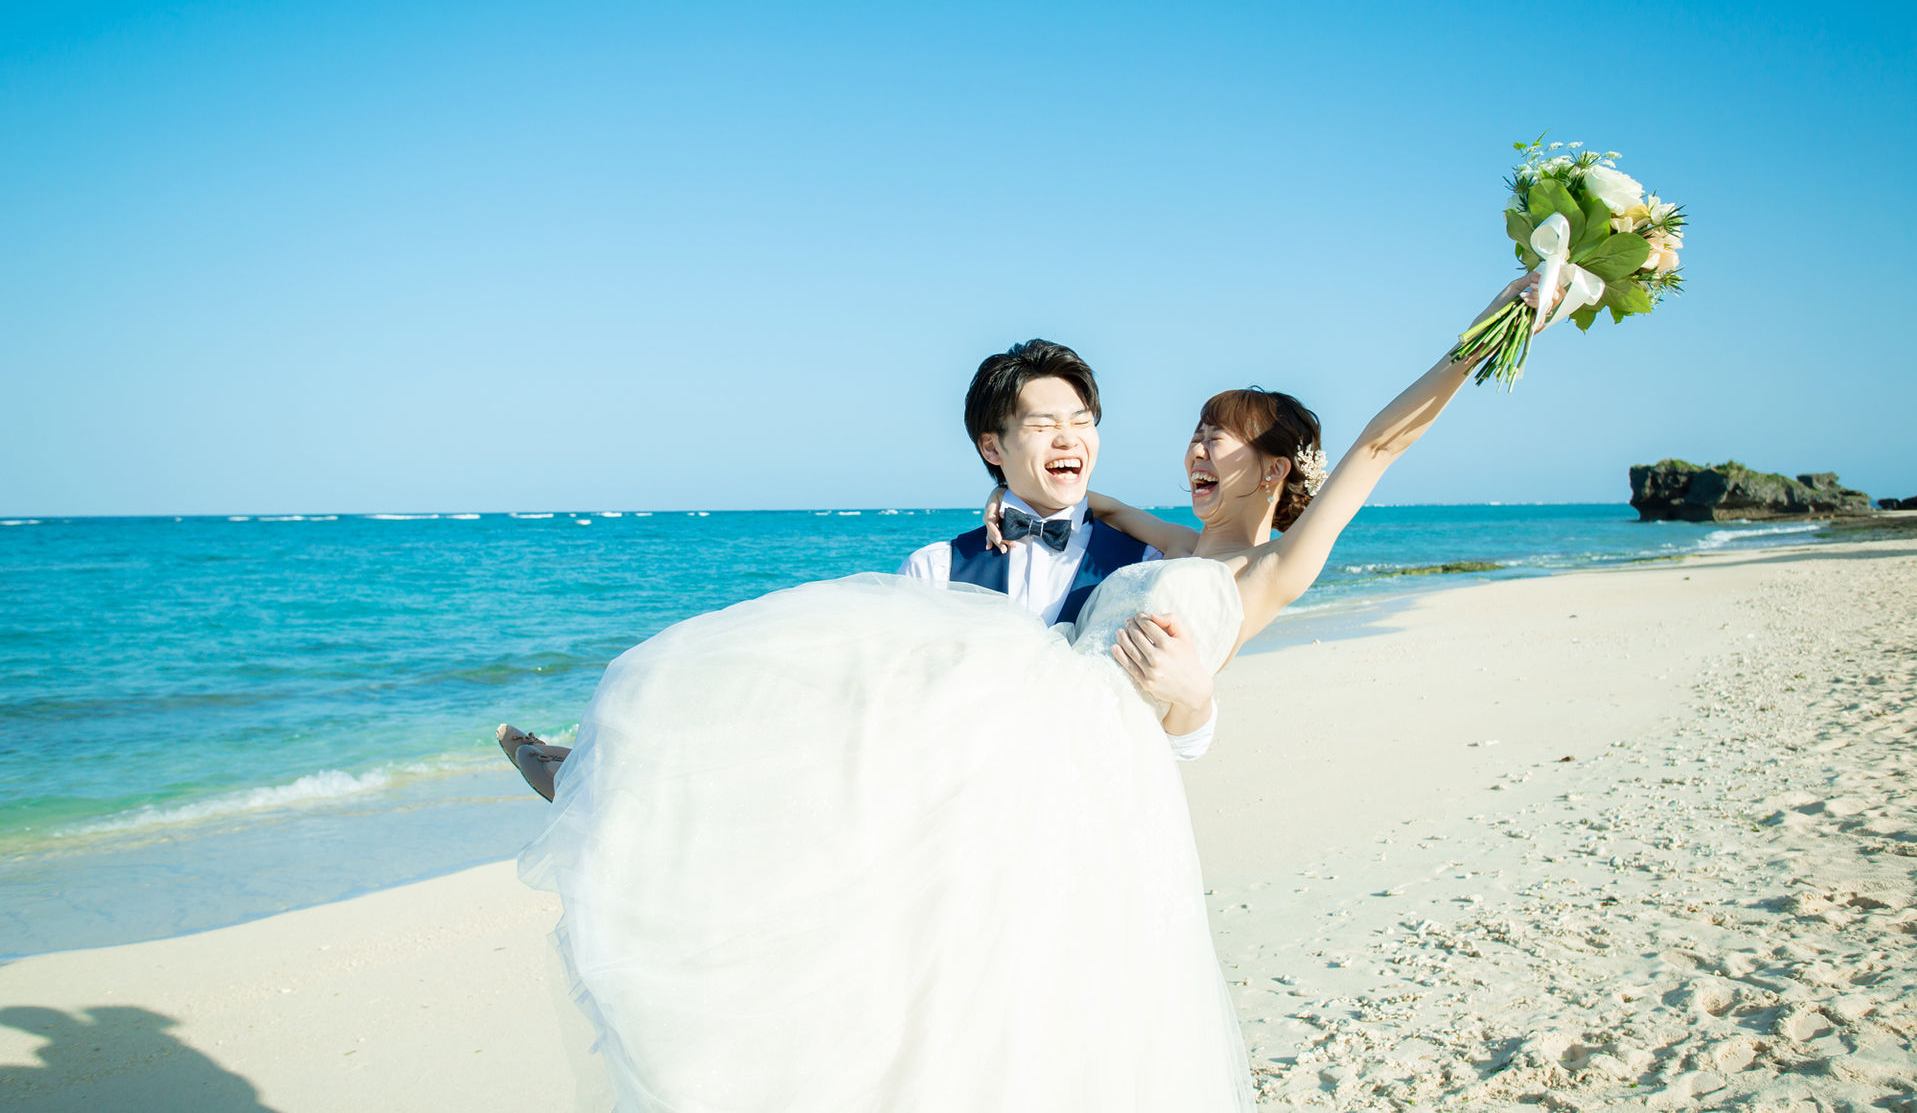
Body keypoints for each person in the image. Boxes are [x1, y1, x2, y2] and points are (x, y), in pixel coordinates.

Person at [508, 273, 1562, 1111]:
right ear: (995, 445)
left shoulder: (1269, 569)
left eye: (1222, 435)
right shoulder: (1147, 541)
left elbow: (1379, 443)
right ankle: (620, 779)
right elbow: (1090, 513)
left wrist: (1500, 320)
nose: (1196, 447)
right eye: (1195, 431)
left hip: (1089, 795)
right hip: (987, 782)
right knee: (830, 690)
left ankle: (618, 783)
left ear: (1278, 467)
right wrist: (1043, 496)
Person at [497, 338, 1218, 800]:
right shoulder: (936, 569)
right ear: (992, 447)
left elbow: (1182, 744)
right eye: (1043, 424)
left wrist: (1196, 696)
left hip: (1092, 830)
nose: (1070, 438)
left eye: (1082, 421)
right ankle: (603, 774)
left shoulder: (1147, 564)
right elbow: (871, 714)